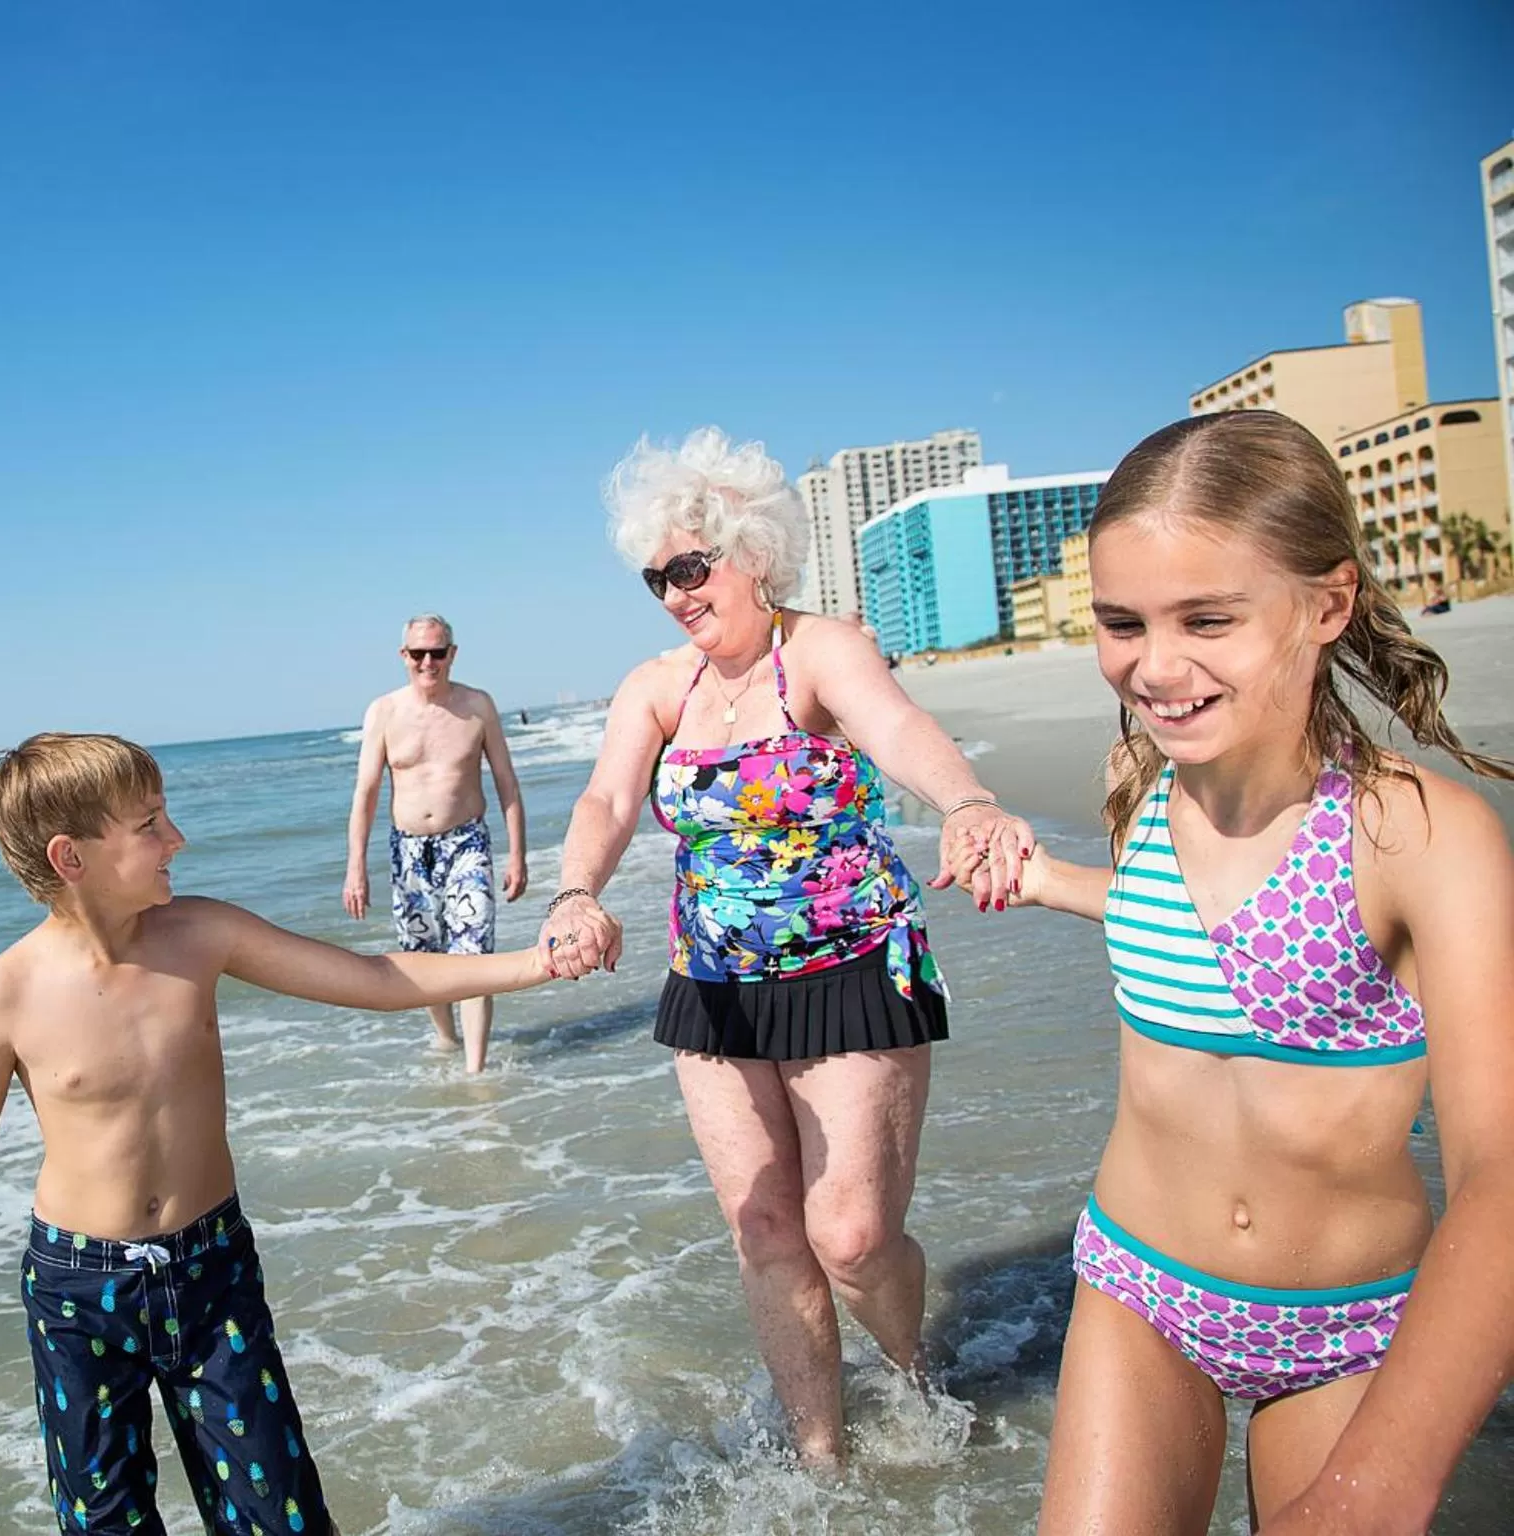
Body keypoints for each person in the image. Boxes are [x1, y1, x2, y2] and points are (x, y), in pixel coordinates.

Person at [995, 412, 1514, 1534]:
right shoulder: (1141, 787)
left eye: (1208, 619)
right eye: (1122, 623)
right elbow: (1188, 932)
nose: (1155, 666)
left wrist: (1382, 1485)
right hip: (1139, 1286)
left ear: (1327, 604)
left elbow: (1500, 1172)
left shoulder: (1416, 835)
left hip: (1347, 1328)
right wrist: (1051, 883)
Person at [0, 732, 556, 1531]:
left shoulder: (199, 935)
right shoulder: (6, 993)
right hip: (77, 1293)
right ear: (70, 856)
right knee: (105, 1523)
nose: (178, 838)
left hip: (211, 1269)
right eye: (149, 824)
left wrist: (535, 963)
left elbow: (375, 977)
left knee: (280, 1514)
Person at [538, 428, 1031, 1467]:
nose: (674, 594)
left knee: (851, 1237)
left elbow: (896, 728)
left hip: (853, 970)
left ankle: (913, 1373)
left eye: (690, 567)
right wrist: (577, 891)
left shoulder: (820, 653)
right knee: (766, 1229)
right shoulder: (658, 687)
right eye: (656, 578)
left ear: (752, 551)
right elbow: (607, 799)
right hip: (715, 988)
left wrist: (968, 802)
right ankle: (820, 1458)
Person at [343, 615, 529, 1072]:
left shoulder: (477, 706)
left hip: (467, 843)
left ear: (452, 654)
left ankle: (475, 1071)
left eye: (437, 652)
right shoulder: (384, 712)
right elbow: (366, 794)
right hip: (408, 851)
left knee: (474, 954)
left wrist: (517, 854)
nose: (428, 662)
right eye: (418, 653)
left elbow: (506, 783)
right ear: (403, 656)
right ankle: (447, 1039)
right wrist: (355, 868)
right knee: (423, 958)